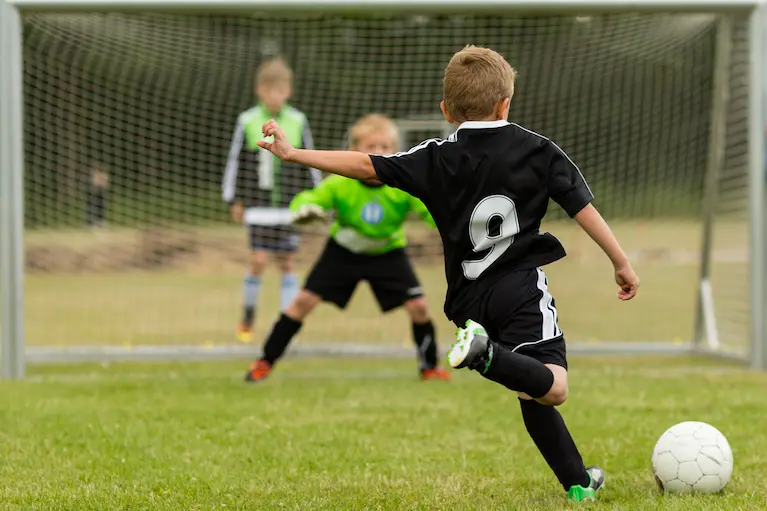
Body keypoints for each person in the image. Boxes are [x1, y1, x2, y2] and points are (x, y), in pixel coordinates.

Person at [254, 45, 641, 503]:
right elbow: (582, 209)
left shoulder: (435, 156)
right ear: (506, 102)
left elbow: (364, 165)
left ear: (446, 110)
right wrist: (620, 261)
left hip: (467, 300)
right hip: (518, 288)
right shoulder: (538, 150)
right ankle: (485, 354)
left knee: (527, 387)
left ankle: (578, 483)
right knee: (552, 387)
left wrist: (294, 153)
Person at [244, 114, 450, 383]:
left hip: (387, 253)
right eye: (371, 147)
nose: (379, 153)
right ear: (354, 151)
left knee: (419, 307)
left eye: (386, 147)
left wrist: (451, 222)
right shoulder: (340, 182)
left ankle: (429, 367)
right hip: (343, 251)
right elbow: (306, 201)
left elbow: (432, 211)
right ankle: (264, 362)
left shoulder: (402, 185)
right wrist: (304, 211)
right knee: (302, 302)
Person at [222, 57, 320, 343]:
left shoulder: (298, 121)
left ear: (288, 91)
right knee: (258, 260)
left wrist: (314, 198)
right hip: (257, 207)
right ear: (259, 90)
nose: (275, 95)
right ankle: (248, 317)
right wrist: (234, 200)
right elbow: (235, 161)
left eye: (280, 90)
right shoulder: (247, 120)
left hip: (288, 208)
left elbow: (310, 159)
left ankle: (284, 323)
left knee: (287, 262)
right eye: (269, 90)